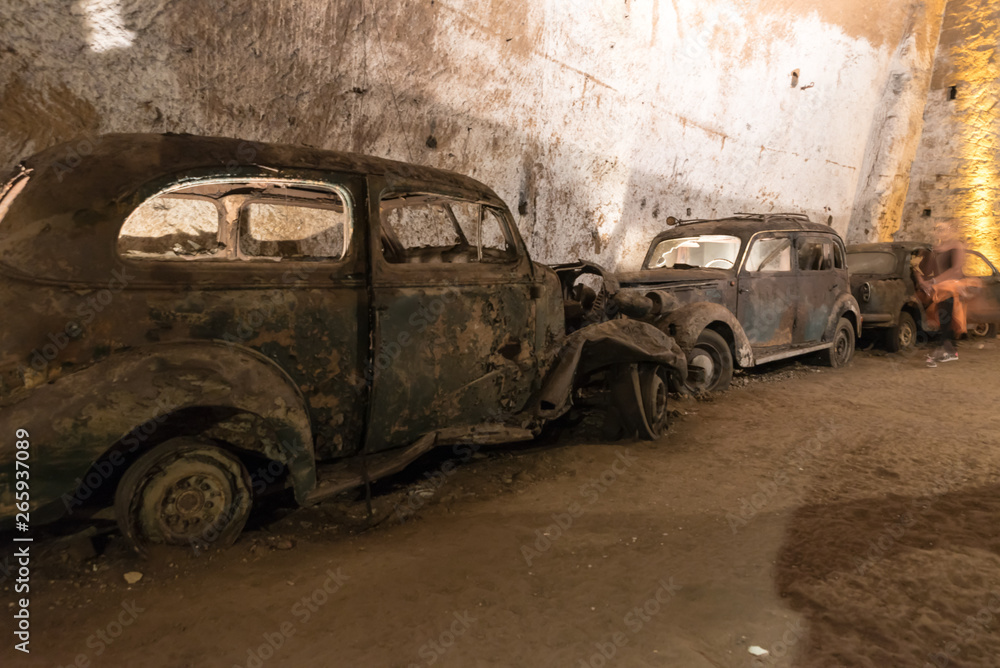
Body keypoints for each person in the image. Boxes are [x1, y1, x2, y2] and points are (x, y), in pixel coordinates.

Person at [913, 221, 968, 366]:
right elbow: (921, 268)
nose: (940, 232)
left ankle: (942, 351)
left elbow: (955, 269)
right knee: (942, 319)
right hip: (940, 288)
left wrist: (933, 282)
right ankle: (949, 351)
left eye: (943, 229)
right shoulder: (934, 249)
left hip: (952, 288)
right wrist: (921, 280)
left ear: (950, 230)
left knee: (948, 319)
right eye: (937, 229)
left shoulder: (956, 246)